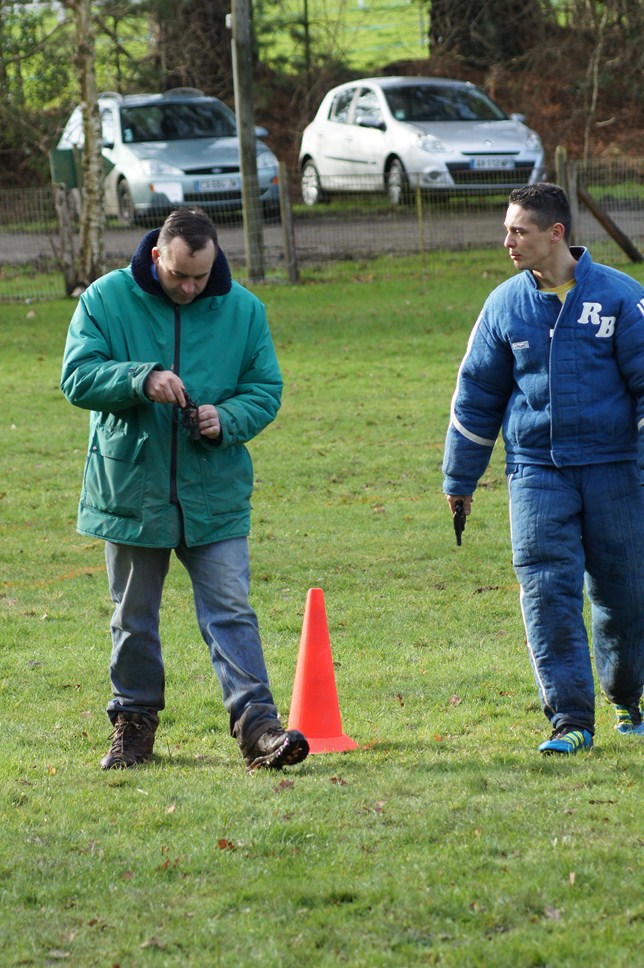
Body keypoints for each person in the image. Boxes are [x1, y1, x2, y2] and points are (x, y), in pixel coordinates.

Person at [61, 206, 309, 772]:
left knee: (231, 610)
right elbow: (76, 376)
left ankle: (260, 729)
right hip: (130, 490)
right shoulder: (104, 299)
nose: (191, 287)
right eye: (179, 276)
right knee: (134, 616)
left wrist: (228, 419)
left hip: (213, 489)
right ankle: (133, 725)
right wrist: (139, 378)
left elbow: (265, 389)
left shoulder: (244, 310)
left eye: (201, 275)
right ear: (157, 257)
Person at [442, 183, 644, 754]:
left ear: (555, 233)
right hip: (535, 472)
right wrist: (459, 480)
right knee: (546, 592)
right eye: (507, 229)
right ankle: (570, 720)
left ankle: (627, 693)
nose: (506, 241)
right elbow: (477, 395)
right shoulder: (503, 306)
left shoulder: (623, 298)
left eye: (518, 231)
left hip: (616, 471)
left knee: (624, 598)